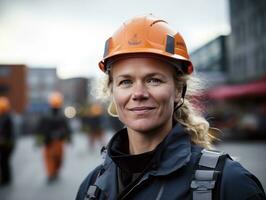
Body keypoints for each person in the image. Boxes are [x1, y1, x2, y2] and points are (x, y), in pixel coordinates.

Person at [76, 15, 266, 200]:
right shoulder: (92, 187)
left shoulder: (230, 184)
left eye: (154, 80)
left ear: (178, 90)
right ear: (112, 92)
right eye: (126, 82)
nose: (139, 93)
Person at [37, 92, 71, 183]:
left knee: (57, 158)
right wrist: (39, 139)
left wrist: (68, 137)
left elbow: (66, 127)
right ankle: (51, 173)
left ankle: (54, 172)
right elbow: (40, 128)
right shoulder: (46, 115)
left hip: (57, 140)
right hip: (49, 140)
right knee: (50, 158)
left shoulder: (61, 115)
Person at [0, 96, 15, 186]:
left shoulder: (7, 118)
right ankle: (5, 178)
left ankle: (6, 179)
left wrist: (5, 140)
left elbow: (8, 132)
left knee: (4, 161)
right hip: (5, 143)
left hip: (7, 144)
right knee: (4, 161)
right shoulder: (5, 117)